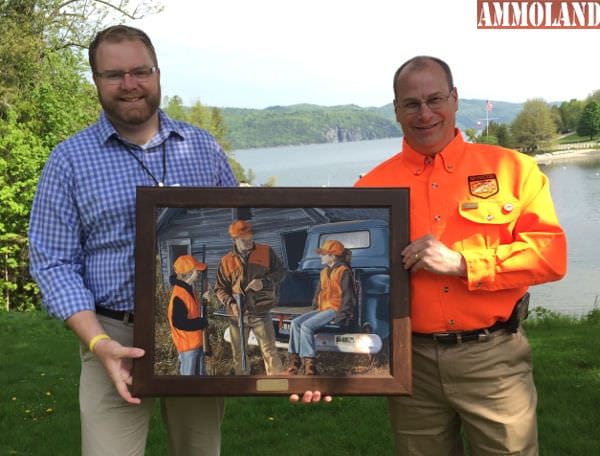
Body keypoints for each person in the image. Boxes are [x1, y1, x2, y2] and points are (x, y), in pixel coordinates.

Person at [28, 25, 237, 456]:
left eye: (140, 71)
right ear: (96, 81)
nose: (129, 85)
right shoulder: (68, 160)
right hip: (111, 335)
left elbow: (229, 231)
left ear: (158, 73)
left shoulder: (203, 149)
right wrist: (98, 342)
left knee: (200, 450)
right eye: (114, 75)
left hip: (194, 328)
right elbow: (52, 262)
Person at [351, 56, 567, 455]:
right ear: (396, 110)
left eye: (435, 99)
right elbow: (352, 284)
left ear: (454, 99)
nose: (425, 113)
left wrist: (464, 263)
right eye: (411, 104)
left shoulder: (512, 169)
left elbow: (550, 256)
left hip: (493, 359)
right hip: (409, 364)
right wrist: (316, 368)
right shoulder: (370, 188)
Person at [214, 220, 285, 375]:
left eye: (249, 237)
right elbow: (220, 289)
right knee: (239, 354)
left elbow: (281, 273)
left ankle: (276, 385)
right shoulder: (226, 261)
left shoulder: (266, 251)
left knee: (270, 352)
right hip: (237, 314)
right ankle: (243, 386)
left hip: (261, 311)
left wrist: (264, 281)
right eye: (243, 239)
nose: (248, 241)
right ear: (234, 240)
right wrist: (231, 303)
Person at [286, 239, 356, 375]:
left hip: (335, 309)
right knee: (295, 323)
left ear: (333, 256)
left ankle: (309, 365)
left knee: (306, 326)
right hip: (322, 308)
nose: (321, 256)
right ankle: (295, 361)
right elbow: (319, 291)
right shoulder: (324, 272)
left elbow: (349, 295)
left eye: (324, 254)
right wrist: (314, 308)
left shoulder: (344, 271)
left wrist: (342, 315)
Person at [168, 255, 210, 376]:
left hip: (196, 342)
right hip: (188, 346)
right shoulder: (179, 295)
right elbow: (179, 322)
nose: (198, 272)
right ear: (189, 273)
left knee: (199, 376)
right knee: (188, 379)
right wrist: (201, 322)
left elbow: (192, 311)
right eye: (196, 270)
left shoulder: (187, 289)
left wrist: (203, 300)